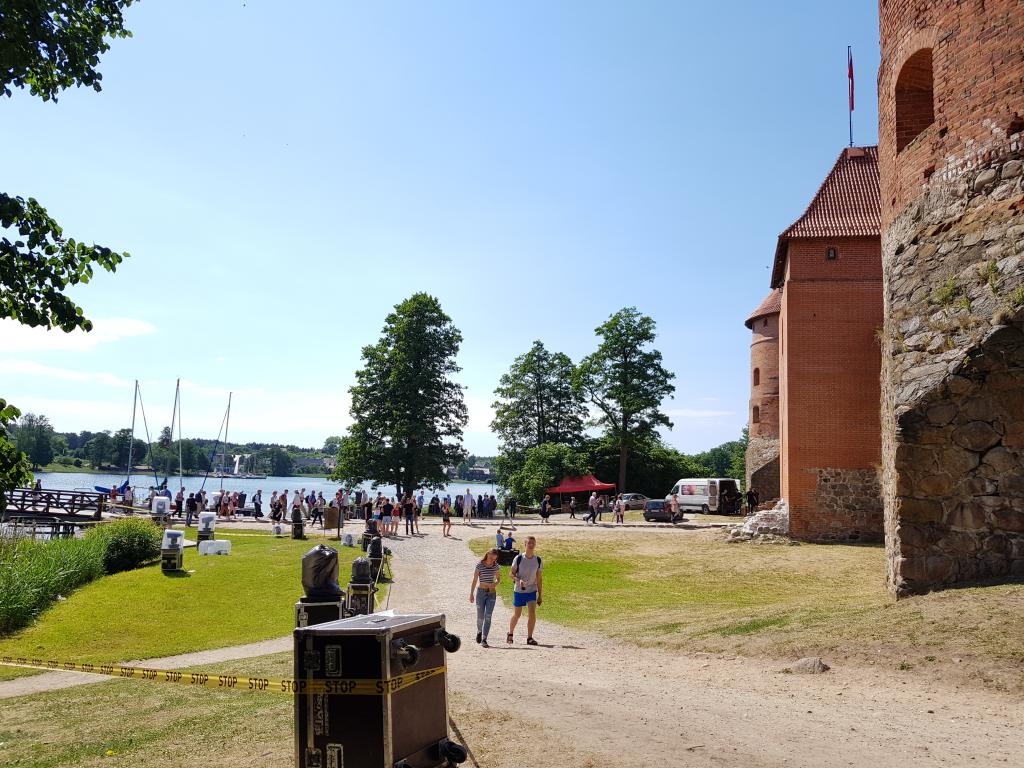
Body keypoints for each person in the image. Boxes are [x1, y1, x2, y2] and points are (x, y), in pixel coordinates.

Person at [507, 536, 542, 645]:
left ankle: (530, 638)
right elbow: (511, 574)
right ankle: (510, 633)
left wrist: (540, 595)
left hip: (532, 590)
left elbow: (539, 578)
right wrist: (519, 580)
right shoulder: (518, 558)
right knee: (517, 614)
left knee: (532, 613)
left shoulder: (538, 560)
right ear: (525, 545)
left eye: (533, 543)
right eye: (529, 543)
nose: (531, 545)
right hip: (519, 590)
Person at [470, 548, 501, 648]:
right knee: (480, 616)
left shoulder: (496, 566)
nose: (492, 560)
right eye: (491, 557)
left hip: (491, 593)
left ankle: (484, 638)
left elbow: (498, 578)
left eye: (494, 559)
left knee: (488, 616)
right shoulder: (479, 565)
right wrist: (471, 594)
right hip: (481, 593)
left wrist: (495, 583)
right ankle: (479, 631)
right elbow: (475, 580)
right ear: (487, 554)